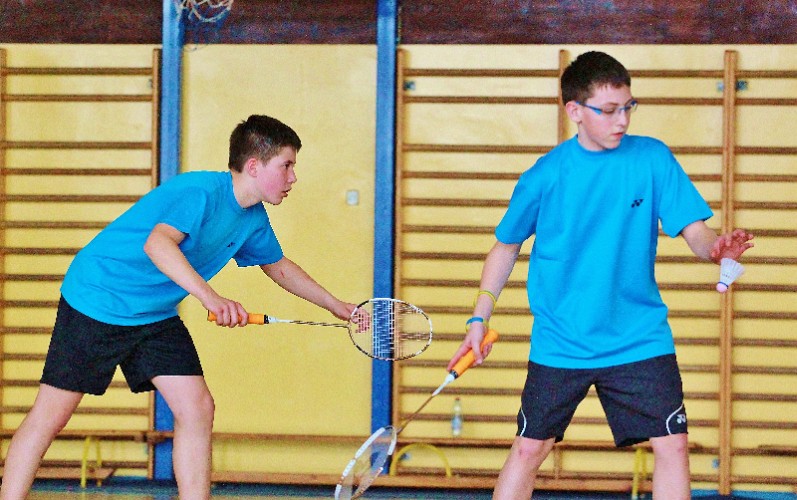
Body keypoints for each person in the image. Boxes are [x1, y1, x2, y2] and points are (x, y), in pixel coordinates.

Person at [0, 115, 358, 500]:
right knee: (51, 417)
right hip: (100, 298)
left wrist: (335, 305)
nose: (293, 177)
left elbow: (279, 266)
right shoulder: (199, 192)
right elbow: (157, 244)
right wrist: (211, 297)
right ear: (254, 166)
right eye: (286, 165)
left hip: (154, 314)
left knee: (197, 408)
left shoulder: (253, 218)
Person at [446, 52, 754, 499]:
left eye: (628, 107)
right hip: (562, 338)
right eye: (608, 110)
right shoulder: (545, 175)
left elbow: (696, 232)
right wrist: (479, 317)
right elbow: (505, 247)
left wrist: (716, 248)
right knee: (530, 448)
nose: (622, 120)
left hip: (639, 336)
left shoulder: (652, 158)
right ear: (574, 111)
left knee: (673, 444)